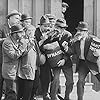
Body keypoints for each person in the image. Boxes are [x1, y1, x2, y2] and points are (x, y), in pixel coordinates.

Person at [42, 18, 73, 100]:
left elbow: (71, 50)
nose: (61, 29)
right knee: (55, 79)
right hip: (55, 60)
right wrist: (46, 46)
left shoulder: (68, 35)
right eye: (59, 27)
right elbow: (44, 46)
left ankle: (67, 97)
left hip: (66, 60)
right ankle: (53, 96)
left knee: (70, 81)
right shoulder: (51, 34)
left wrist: (64, 59)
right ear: (55, 27)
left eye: (63, 28)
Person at [71, 21, 100, 100]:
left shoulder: (93, 39)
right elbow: (71, 51)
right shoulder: (76, 40)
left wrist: (98, 53)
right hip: (82, 63)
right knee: (80, 81)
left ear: (86, 32)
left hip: (93, 63)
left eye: (82, 31)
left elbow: (98, 49)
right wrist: (74, 40)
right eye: (78, 30)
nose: (79, 32)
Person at [0, 10, 21, 100]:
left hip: (13, 61)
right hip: (2, 58)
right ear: (9, 18)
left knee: (11, 85)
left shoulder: (18, 28)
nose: (18, 20)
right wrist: (9, 39)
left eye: (19, 19)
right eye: (16, 18)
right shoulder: (2, 28)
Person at [2, 24, 26, 100]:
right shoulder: (7, 43)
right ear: (15, 33)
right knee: (12, 95)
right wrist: (22, 47)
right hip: (10, 73)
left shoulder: (16, 40)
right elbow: (14, 56)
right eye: (21, 32)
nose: (23, 34)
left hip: (15, 72)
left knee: (10, 94)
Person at [35, 15, 51, 100]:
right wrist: (43, 40)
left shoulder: (50, 32)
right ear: (40, 25)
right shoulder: (35, 32)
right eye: (45, 26)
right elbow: (34, 45)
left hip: (46, 57)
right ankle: (33, 94)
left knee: (46, 76)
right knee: (35, 77)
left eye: (48, 26)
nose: (47, 28)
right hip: (36, 57)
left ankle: (46, 93)